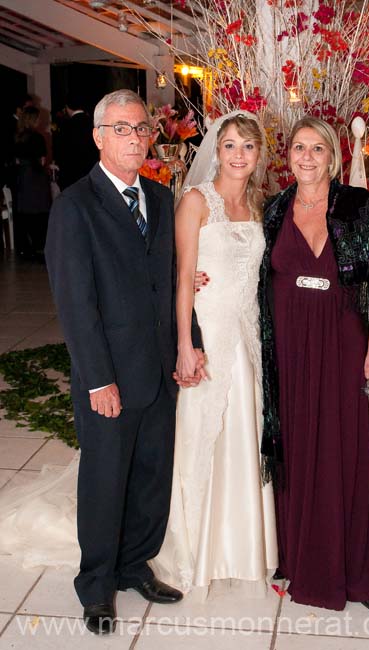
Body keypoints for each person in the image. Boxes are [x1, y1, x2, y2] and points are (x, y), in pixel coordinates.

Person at [44, 88, 204, 635]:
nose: (135, 138)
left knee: (151, 477)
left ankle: (136, 565)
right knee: (105, 482)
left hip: (160, 369)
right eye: (121, 129)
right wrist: (97, 380)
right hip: (108, 376)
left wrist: (190, 343)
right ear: (98, 137)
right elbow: (75, 305)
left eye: (140, 128)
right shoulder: (74, 208)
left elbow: (175, 283)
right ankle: (96, 586)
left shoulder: (160, 199)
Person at [259, 116, 369, 614]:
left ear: (333, 158)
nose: (308, 157)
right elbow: (252, 267)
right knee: (294, 448)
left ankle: (359, 575)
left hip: (341, 342)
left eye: (318, 149)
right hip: (289, 347)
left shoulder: (356, 206)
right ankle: (298, 557)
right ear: (288, 155)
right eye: (299, 148)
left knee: (345, 448)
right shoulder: (274, 208)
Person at [151, 110, 278, 597]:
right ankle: (197, 547)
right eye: (229, 145)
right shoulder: (195, 201)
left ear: (259, 154)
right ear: (216, 149)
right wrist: (186, 345)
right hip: (209, 333)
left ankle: (246, 547)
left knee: (247, 433)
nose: (239, 155)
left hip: (248, 334)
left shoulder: (260, 202)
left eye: (248, 146)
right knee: (204, 433)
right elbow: (183, 277)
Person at [14, 106, 52, 258]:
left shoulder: (17, 136)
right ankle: (39, 245)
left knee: (24, 212)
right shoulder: (37, 138)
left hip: (22, 177)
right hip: (35, 177)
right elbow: (42, 160)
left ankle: (24, 247)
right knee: (40, 210)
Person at [56, 91, 98, 190]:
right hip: (91, 174)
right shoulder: (93, 124)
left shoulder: (65, 126)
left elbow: (60, 153)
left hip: (71, 176)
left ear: (67, 107)